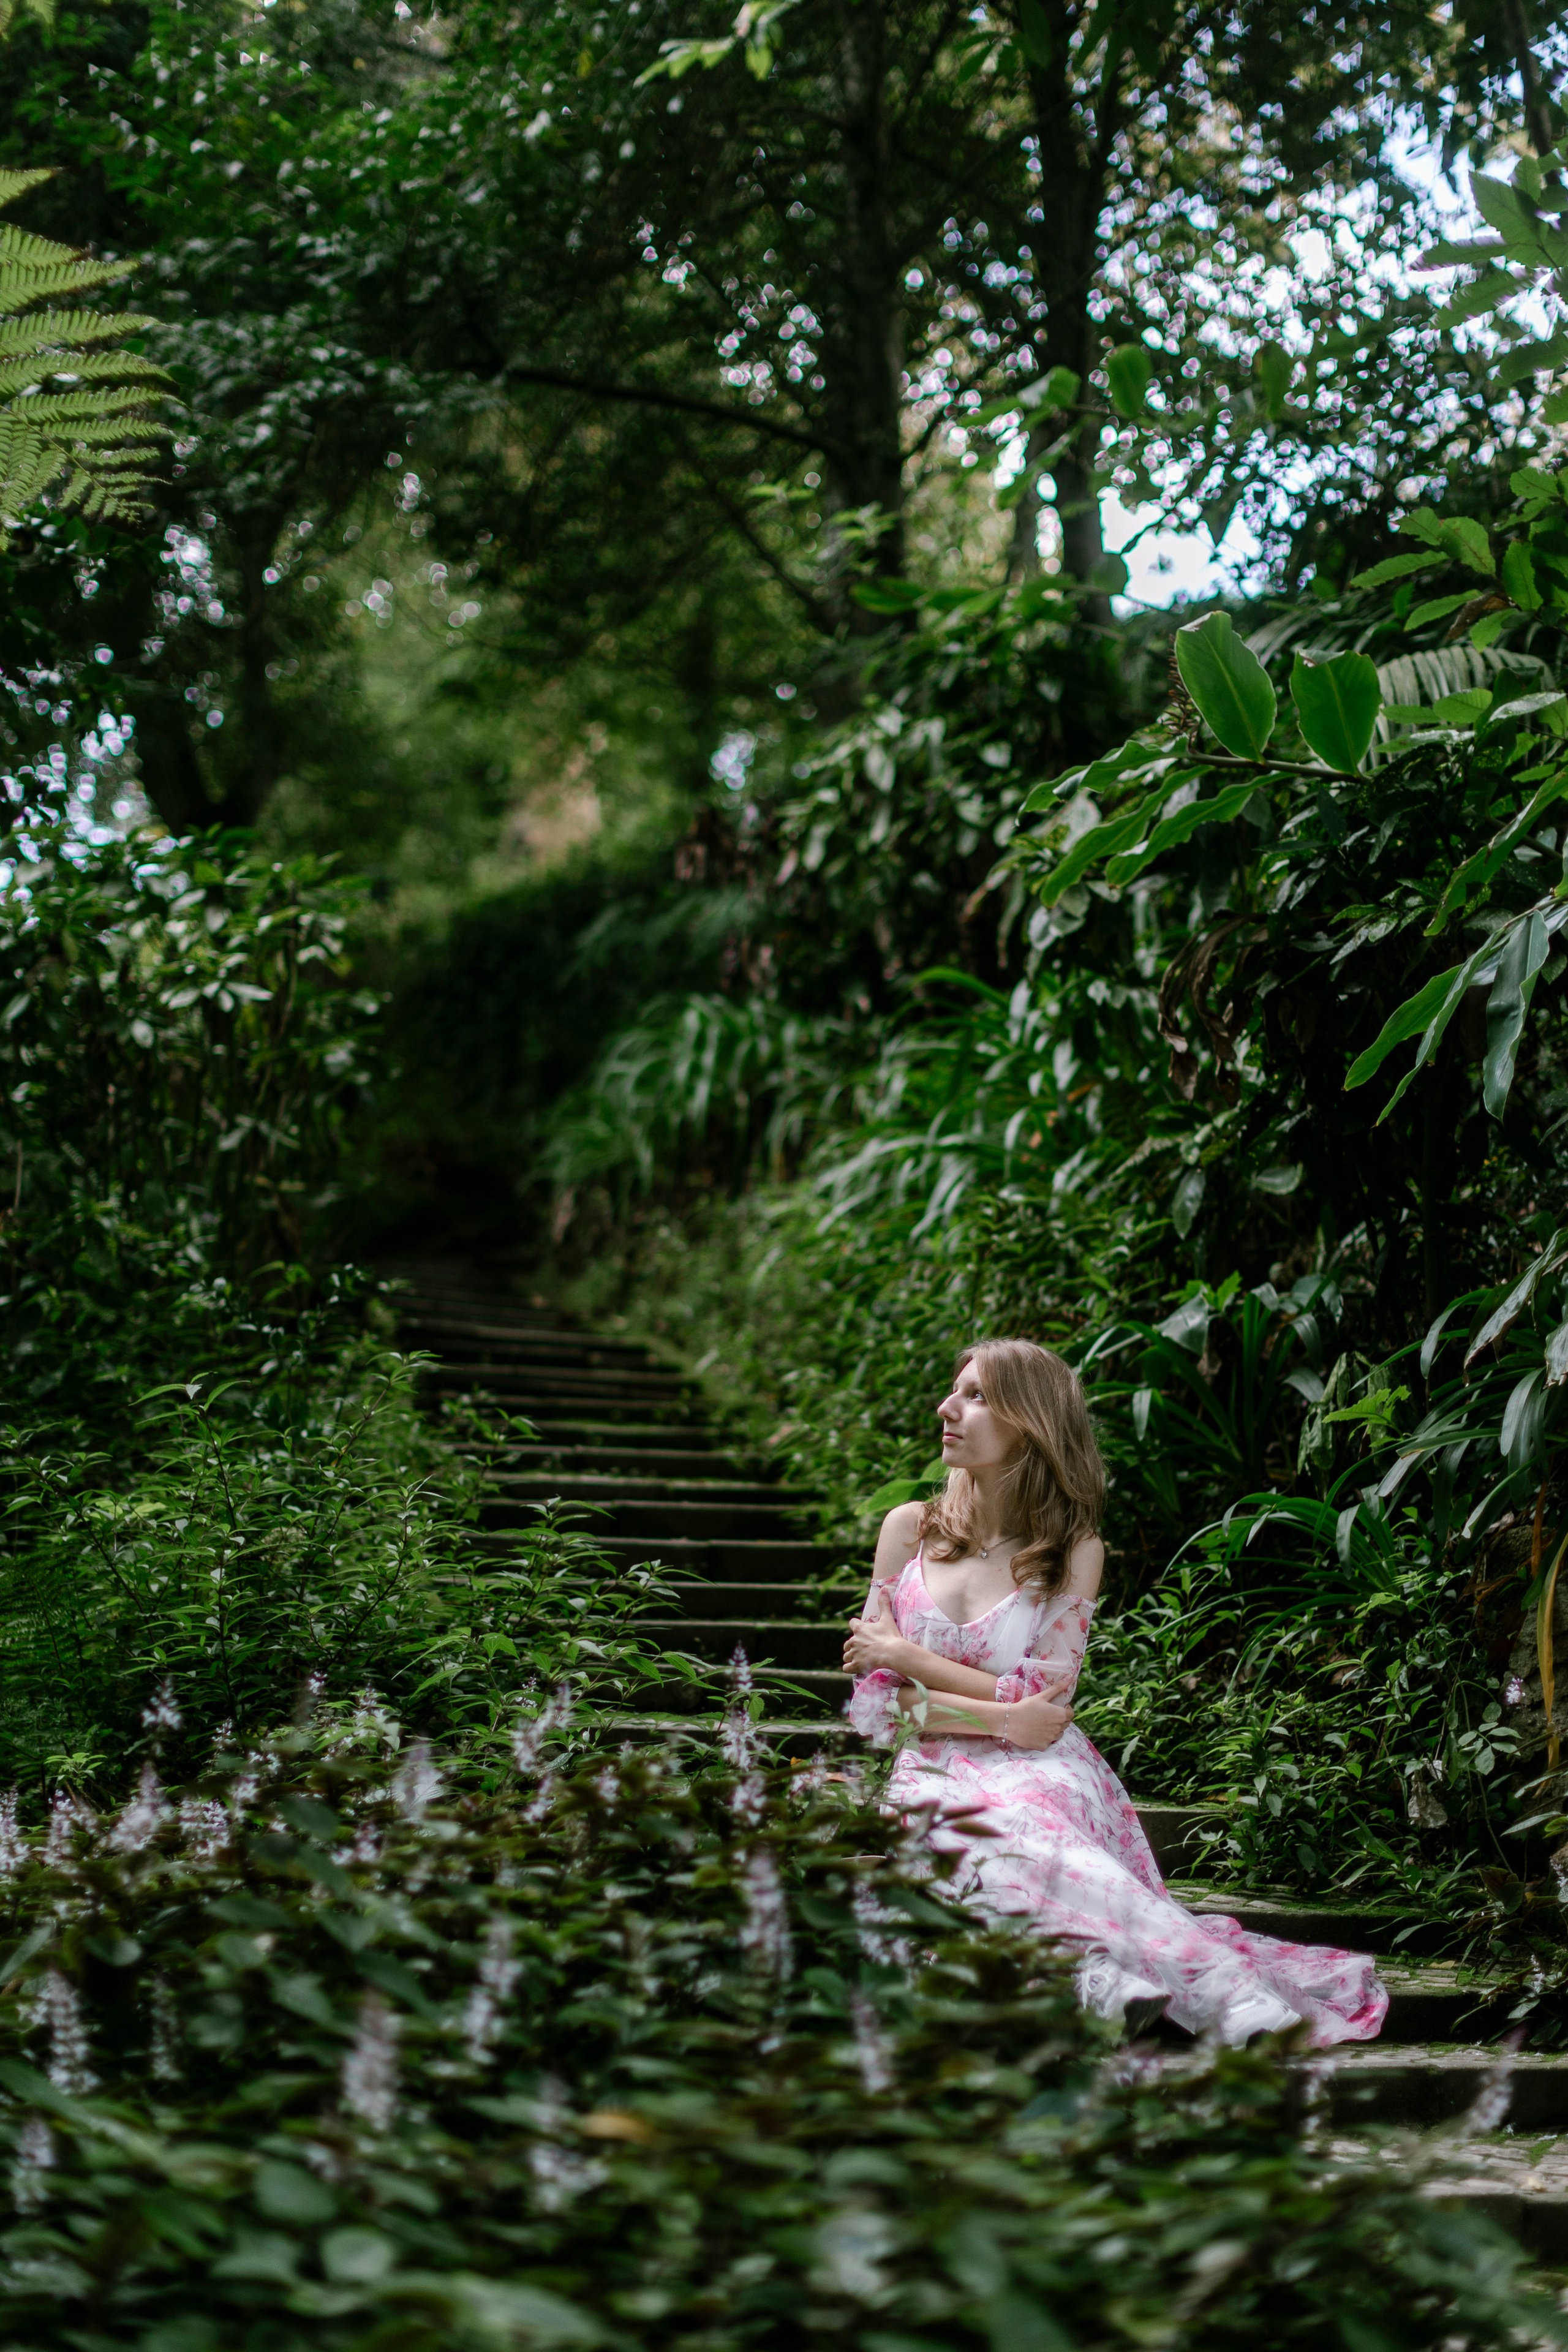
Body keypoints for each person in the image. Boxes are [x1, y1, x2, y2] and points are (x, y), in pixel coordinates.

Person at [843, 1337, 1387, 2046]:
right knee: (985, 1837)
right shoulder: (908, 1531)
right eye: (956, 1390)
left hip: (1046, 1767)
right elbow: (879, 1709)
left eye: (977, 1396)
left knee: (1040, 1824)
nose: (948, 1406)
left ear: (1030, 1421)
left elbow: (1046, 1702)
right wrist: (1004, 1715)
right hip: (934, 1764)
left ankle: (1220, 1994)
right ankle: (1103, 1977)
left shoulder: (1074, 1549)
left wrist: (908, 1656)